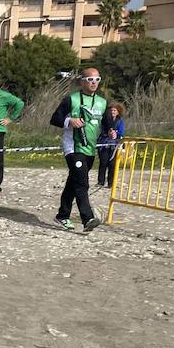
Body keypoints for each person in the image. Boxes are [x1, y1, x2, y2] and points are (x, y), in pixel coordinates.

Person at [49, 67, 113, 232]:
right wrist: (70, 120)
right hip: (73, 147)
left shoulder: (102, 102)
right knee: (82, 182)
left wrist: (111, 131)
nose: (94, 83)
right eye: (90, 80)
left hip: (89, 148)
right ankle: (88, 218)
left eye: (97, 80)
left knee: (74, 182)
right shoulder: (71, 99)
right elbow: (55, 119)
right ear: (82, 81)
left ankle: (62, 215)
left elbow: (107, 123)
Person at [95, 102, 126, 189]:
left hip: (115, 144)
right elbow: (101, 130)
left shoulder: (120, 121)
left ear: (118, 112)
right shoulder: (104, 120)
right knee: (103, 162)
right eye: (111, 110)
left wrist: (116, 134)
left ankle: (111, 183)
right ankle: (100, 182)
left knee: (112, 164)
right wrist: (107, 133)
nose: (112, 112)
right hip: (104, 143)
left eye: (114, 110)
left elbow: (121, 132)